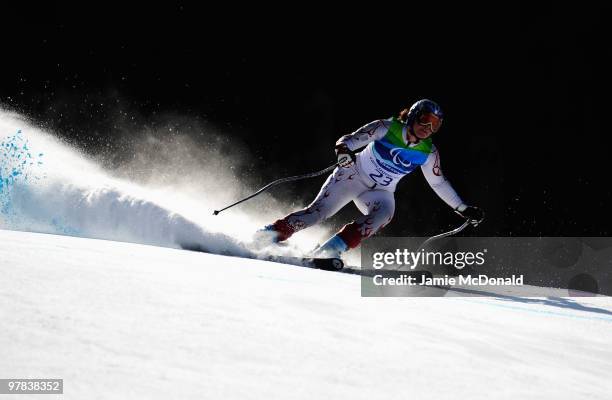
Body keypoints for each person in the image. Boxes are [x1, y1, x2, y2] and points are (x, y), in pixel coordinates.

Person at [255, 99, 484, 258]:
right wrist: (344, 152)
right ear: (413, 116)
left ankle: (330, 250)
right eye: (424, 119)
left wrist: (462, 208)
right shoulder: (386, 127)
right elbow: (349, 139)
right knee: (318, 214)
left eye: (435, 125)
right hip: (352, 177)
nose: (427, 128)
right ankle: (270, 233)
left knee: (384, 214)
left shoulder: (428, 152)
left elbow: (438, 182)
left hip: (380, 192)